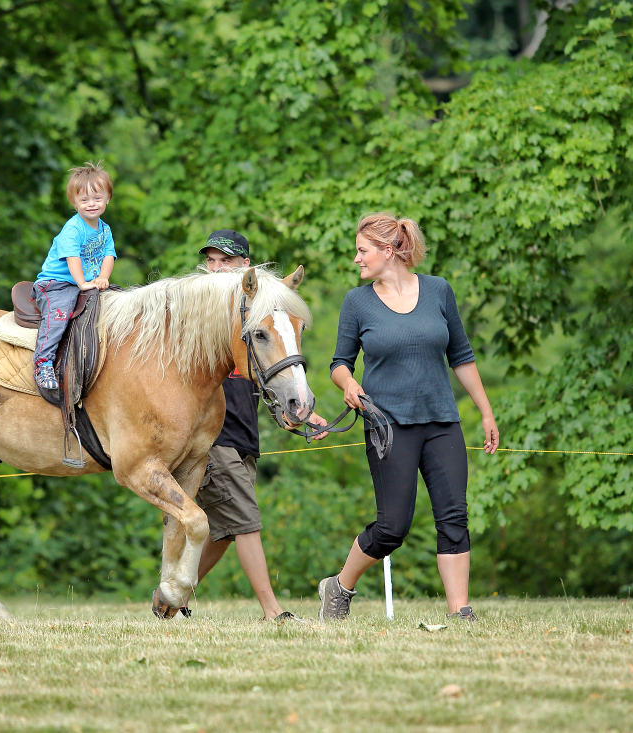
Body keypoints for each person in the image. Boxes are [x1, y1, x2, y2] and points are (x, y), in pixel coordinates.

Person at [317, 213, 499, 622]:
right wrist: (348, 383)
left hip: (441, 422)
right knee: (392, 527)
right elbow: (339, 362)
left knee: (453, 517)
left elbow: (462, 356)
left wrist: (486, 412)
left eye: (362, 251)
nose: (356, 259)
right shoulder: (357, 302)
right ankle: (339, 586)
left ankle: (460, 611)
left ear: (388, 250)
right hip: (388, 426)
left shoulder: (439, 291)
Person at [192, 230, 327, 623]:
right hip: (212, 436)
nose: (217, 268)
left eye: (226, 261)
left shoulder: (255, 319)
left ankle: (171, 595)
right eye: (211, 260)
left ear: (246, 266)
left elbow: (270, 376)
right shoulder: (200, 318)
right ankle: (272, 610)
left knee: (225, 530)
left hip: (243, 433)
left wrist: (297, 412)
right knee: (246, 521)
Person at [32, 161, 117, 391]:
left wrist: (103, 278)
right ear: (74, 202)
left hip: (84, 282)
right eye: (85, 200)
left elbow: (109, 255)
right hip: (57, 284)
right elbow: (73, 259)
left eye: (97, 198)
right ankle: (43, 363)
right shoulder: (73, 229)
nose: (92, 204)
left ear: (108, 198)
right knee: (59, 314)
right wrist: (83, 283)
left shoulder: (105, 229)